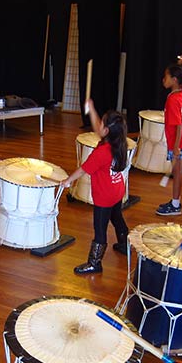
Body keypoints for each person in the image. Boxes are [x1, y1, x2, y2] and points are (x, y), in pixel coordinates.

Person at [60, 98, 129, 274]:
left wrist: (67, 181)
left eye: (102, 123)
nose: (99, 127)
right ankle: (124, 244)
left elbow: (83, 170)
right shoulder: (119, 143)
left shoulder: (101, 153)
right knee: (117, 217)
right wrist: (91, 109)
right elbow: (100, 127)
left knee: (100, 230)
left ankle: (94, 263)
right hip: (117, 190)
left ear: (106, 130)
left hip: (104, 197)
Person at [155, 61, 182, 216]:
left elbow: (177, 125)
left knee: (177, 173)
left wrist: (175, 147)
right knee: (178, 172)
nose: (164, 79)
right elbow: (180, 76)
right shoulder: (181, 92)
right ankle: (175, 201)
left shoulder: (173, 99)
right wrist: (178, 64)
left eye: (166, 77)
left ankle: (175, 205)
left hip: (178, 141)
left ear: (174, 80)